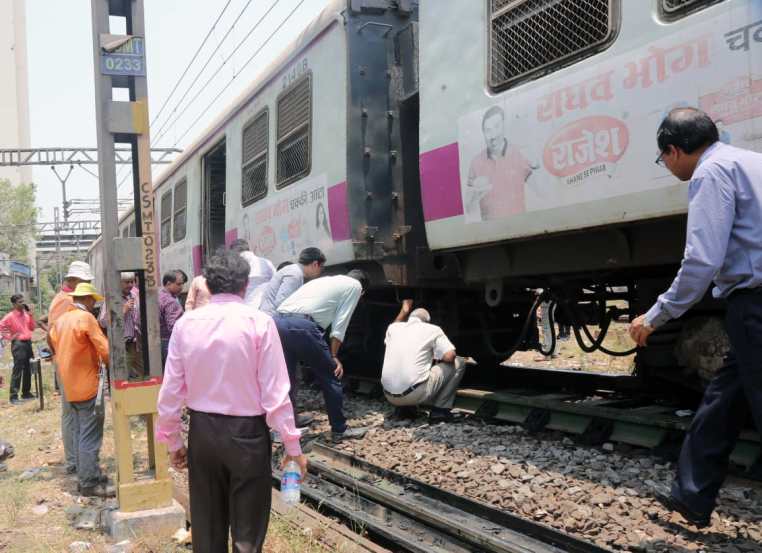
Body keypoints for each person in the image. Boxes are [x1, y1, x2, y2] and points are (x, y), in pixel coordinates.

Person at [629, 108, 762, 528]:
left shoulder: (710, 172)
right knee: (723, 400)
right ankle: (692, 496)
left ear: (673, 150)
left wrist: (655, 315)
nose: (667, 166)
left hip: (755, 303)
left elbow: (702, 261)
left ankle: (692, 495)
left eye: (662, 158)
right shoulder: (752, 161)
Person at [157, 251, 307, 553]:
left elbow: (171, 391)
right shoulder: (260, 323)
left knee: (206, 527)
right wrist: (293, 449)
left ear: (208, 286)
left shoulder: (187, 325)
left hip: (202, 433)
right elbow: (276, 395)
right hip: (248, 436)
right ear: (245, 285)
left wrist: (174, 442)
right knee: (247, 533)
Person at [274, 270, 370, 442]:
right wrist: (334, 356)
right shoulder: (354, 286)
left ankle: (285, 429)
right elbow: (340, 326)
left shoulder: (326, 280)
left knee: (286, 380)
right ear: (362, 291)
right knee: (331, 375)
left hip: (277, 322)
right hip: (302, 326)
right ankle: (339, 430)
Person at [48, 283, 112, 497]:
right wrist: (117, 368)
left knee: (79, 430)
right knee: (89, 434)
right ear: (87, 300)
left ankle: (87, 472)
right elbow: (104, 348)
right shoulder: (86, 319)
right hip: (87, 385)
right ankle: (88, 482)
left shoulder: (62, 320)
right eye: (93, 300)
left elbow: (52, 343)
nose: (94, 304)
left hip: (69, 384)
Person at [381, 300, 466, 422]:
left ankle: (404, 409)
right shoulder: (433, 329)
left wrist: (404, 311)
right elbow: (450, 356)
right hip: (415, 394)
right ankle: (440, 410)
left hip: (389, 396)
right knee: (459, 362)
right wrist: (433, 354)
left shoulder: (393, 328)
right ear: (427, 321)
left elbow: (394, 326)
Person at [47, 260, 94, 475]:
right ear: (73, 281)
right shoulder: (64, 301)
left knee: (74, 412)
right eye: (83, 282)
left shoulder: (68, 299)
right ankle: (74, 461)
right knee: (71, 413)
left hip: (72, 362)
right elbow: (53, 333)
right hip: (69, 363)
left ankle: (77, 459)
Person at [464, 105, 536, 222]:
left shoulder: (519, 153)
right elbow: (469, 210)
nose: (493, 136)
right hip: (491, 233)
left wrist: (538, 165)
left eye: (497, 127)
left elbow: (543, 192)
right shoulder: (475, 162)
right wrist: (475, 197)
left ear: (504, 126)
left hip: (521, 228)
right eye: (488, 130)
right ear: (483, 133)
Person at [260, 247, 326, 316]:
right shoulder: (295, 274)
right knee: (309, 325)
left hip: (275, 316)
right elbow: (281, 303)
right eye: (321, 267)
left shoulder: (296, 271)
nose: (321, 271)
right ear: (315, 264)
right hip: (272, 317)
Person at [0, 294, 36, 404]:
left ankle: (26, 393)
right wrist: (9, 337)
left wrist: (31, 315)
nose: (23, 303)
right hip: (18, 344)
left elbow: (32, 328)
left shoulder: (26, 314)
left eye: (23, 301)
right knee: (18, 369)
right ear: (14, 304)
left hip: (28, 343)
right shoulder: (10, 316)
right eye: (20, 302)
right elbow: (1, 327)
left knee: (28, 368)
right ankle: (13, 396)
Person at [230, 239, 276, 310]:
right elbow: (275, 282)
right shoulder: (266, 262)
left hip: (245, 307)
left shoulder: (235, 266)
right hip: (266, 306)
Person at [159, 269, 187, 369]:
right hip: (167, 342)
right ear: (168, 283)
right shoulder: (170, 302)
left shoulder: (159, 294)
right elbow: (174, 327)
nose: (182, 287)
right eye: (179, 284)